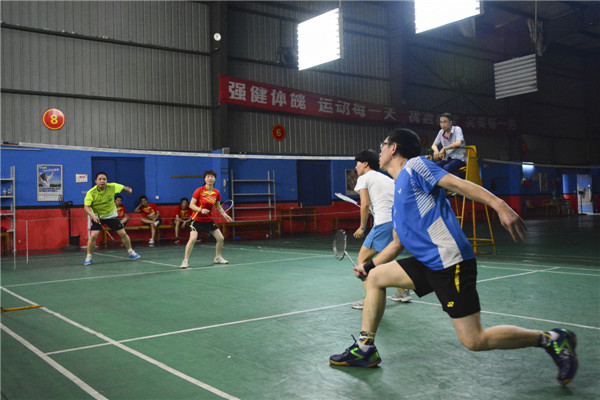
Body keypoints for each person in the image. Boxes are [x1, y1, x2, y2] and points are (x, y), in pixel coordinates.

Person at [329, 129, 578, 386]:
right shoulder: (398, 197)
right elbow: (396, 244)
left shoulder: (415, 167)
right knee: (375, 278)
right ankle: (365, 348)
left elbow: (457, 184)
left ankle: (551, 339)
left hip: (450, 261)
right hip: (427, 262)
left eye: (383, 145)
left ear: (394, 148)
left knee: (474, 340)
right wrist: (369, 265)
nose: (379, 150)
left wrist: (500, 205)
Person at [350, 150, 411, 310]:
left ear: (365, 164)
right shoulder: (387, 178)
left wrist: (362, 227)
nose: (355, 167)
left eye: (357, 163)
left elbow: (364, 204)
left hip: (383, 223)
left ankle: (370, 299)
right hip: (398, 222)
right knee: (386, 257)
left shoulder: (364, 178)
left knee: (363, 260)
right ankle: (403, 292)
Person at [83, 172, 140, 265]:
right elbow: (86, 207)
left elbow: (125, 188)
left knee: (122, 233)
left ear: (107, 181)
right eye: (100, 179)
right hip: (98, 216)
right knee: (93, 235)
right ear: (96, 181)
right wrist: (93, 216)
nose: (102, 181)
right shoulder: (91, 192)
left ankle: (130, 251)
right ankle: (88, 257)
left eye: (104, 179)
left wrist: (129, 190)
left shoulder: (112, 186)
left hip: (111, 215)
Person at [179, 170, 233, 269]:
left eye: (212, 177)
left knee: (220, 238)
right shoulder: (199, 190)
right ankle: (185, 261)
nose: (210, 178)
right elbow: (191, 205)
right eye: (208, 177)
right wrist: (201, 210)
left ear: (215, 179)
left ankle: (217, 257)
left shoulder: (216, 192)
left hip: (208, 220)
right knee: (192, 239)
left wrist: (225, 215)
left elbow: (218, 207)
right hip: (197, 219)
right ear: (204, 179)